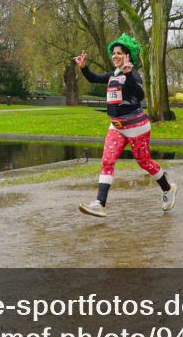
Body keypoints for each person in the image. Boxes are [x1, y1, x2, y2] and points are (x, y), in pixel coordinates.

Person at [74, 34, 177, 217]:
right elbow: (93, 78)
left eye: (119, 53)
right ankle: (100, 203)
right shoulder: (112, 74)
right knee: (107, 161)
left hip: (137, 127)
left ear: (128, 56)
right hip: (117, 127)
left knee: (144, 162)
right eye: (113, 53)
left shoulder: (132, 73)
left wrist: (129, 74)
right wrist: (83, 68)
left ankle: (168, 189)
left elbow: (139, 94)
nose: (115, 56)